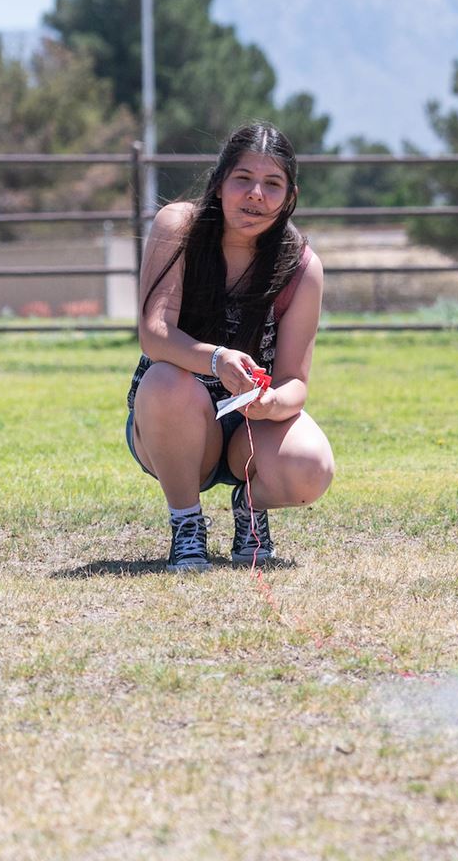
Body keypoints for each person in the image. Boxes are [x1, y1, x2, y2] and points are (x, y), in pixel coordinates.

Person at [128, 121, 334, 571]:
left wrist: (272, 403)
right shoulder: (178, 227)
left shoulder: (301, 266)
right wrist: (216, 359)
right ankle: (186, 525)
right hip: (173, 424)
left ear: (289, 197)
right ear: (219, 183)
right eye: (243, 179)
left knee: (311, 468)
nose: (256, 194)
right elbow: (153, 332)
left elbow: (296, 382)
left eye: (272, 184)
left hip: (248, 432)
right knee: (166, 380)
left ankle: (250, 507)